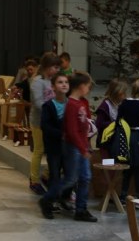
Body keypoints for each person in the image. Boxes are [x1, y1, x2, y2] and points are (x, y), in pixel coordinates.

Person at [58, 72, 98, 222]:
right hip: (73, 147)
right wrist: (82, 148)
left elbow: (83, 127)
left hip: (82, 146)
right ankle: (50, 195)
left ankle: (81, 209)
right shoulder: (71, 105)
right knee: (71, 178)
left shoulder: (81, 103)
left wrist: (86, 145)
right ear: (81, 86)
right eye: (88, 86)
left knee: (85, 177)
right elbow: (72, 131)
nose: (88, 89)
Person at [38, 72, 73, 219]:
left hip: (69, 146)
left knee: (71, 173)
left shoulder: (71, 104)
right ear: (53, 87)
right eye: (60, 82)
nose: (64, 84)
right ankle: (48, 202)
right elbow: (45, 126)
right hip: (54, 146)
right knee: (55, 173)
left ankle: (64, 198)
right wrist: (61, 134)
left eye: (66, 82)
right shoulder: (48, 106)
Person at [28, 52, 60, 195]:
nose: (57, 70)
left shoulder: (53, 81)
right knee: (39, 150)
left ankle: (46, 176)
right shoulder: (37, 82)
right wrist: (54, 110)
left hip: (51, 122)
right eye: (55, 67)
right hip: (38, 121)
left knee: (53, 151)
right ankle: (34, 180)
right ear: (47, 66)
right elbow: (38, 103)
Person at [116, 78, 139, 202]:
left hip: (125, 135)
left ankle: (123, 193)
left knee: (126, 166)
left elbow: (118, 120)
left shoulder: (124, 103)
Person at [94, 78, 128, 153]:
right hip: (106, 141)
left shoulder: (120, 104)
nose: (125, 95)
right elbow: (99, 124)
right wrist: (114, 123)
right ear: (117, 93)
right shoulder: (105, 105)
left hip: (117, 140)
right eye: (123, 93)